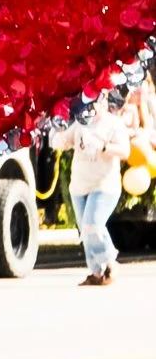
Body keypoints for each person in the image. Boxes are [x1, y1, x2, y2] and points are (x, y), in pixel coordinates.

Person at [50, 87, 140, 285]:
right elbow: (65, 141)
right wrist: (59, 137)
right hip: (80, 185)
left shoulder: (113, 124)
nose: (92, 106)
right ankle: (97, 272)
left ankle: (109, 260)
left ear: (104, 101)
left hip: (104, 185)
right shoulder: (82, 123)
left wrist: (104, 147)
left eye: (97, 101)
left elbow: (125, 151)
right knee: (86, 230)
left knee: (93, 225)